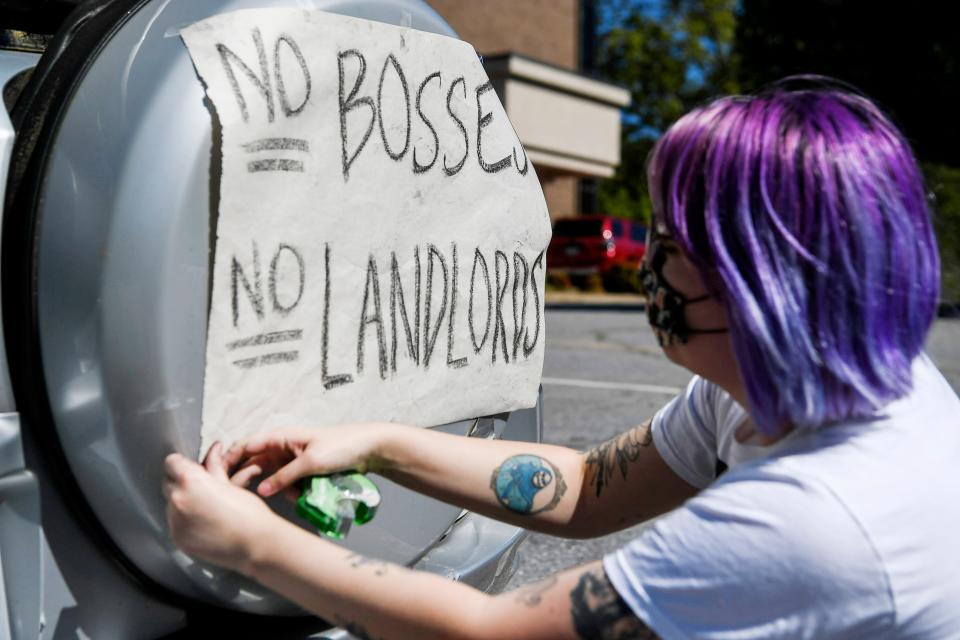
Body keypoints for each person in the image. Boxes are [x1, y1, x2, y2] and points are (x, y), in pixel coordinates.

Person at [163, 77, 960, 638]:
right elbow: (585, 491)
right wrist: (374, 442)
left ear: (758, 284)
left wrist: (249, 543)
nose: (648, 260)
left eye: (671, 243)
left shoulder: (814, 519)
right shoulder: (801, 385)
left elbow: (490, 636)